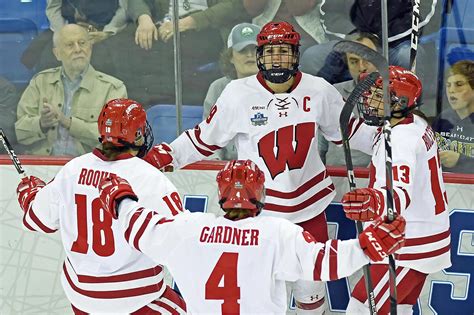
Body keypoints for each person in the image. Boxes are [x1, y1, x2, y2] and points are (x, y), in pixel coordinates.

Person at [142, 21, 373, 313]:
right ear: (261, 56)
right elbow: (204, 138)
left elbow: (351, 132)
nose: (277, 59)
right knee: (258, 296)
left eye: (284, 52)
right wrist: (169, 154)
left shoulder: (319, 90)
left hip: (309, 210)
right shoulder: (237, 93)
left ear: (296, 55)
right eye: (271, 52)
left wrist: (390, 139)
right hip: (259, 215)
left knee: (311, 296)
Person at [97, 159, 407, 313]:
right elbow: (324, 263)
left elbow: (139, 227)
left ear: (220, 193)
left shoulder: (186, 229)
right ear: (261, 194)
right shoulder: (276, 233)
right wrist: (368, 246)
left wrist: (123, 200)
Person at [15, 98, 186, 314]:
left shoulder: (73, 169)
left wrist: (30, 195)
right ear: (138, 134)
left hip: (82, 298)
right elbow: (179, 244)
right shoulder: (151, 179)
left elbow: (37, 221)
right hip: (136, 297)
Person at [341, 66, 451, 314]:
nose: (369, 100)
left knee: (361, 308)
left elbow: (399, 193)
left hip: (407, 244)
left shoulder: (400, 139)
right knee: (395, 309)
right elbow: (373, 141)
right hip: (416, 238)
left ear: (399, 101)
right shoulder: (408, 123)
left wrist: (374, 201)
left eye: (379, 95)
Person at [15, 24, 127, 156]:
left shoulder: (113, 89)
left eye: (82, 43)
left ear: (90, 48)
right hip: (43, 166)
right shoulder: (40, 82)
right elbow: (19, 132)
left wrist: (68, 123)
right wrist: (41, 123)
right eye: (70, 45)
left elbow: (115, 138)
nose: (78, 49)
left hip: (88, 169)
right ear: (57, 54)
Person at [114, 0, 251, 105]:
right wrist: (144, 19)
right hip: (162, 24)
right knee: (113, 48)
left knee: (173, 52)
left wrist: (189, 22)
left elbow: (235, 5)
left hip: (206, 26)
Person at [319, 32, 380, 166]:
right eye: (354, 61)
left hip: (374, 181)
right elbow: (319, 147)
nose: (362, 67)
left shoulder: (397, 97)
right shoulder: (332, 92)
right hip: (335, 180)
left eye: (367, 60)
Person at [202, 22, 260, 160]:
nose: (250, 55)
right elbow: (209, 139)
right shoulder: (218, 88)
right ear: (230, 57)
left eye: (256, 49)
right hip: (229, 170)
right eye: (242, 50)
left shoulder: (281, 87)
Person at [432, 60, 474, 174]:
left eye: (459, 84)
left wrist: (460, 160)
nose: (451, 90)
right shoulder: (443, 118)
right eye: (448, 85)